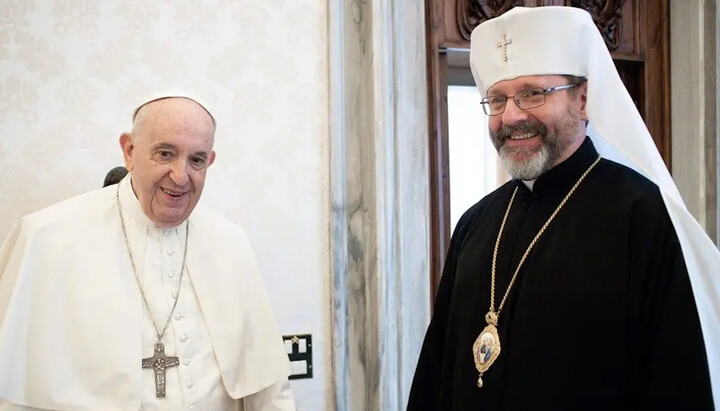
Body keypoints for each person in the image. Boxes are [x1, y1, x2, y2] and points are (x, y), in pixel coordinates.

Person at [408, 7, 719, 411]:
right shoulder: (476, 223)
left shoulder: (643, 216)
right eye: (498, 99)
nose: (511, 116)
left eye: (533, 94)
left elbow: (674, 382)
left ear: (583, 98)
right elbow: (437, 374)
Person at [0, 93, 296, 410]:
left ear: (209, 162)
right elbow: (14, 392)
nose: (180, 176)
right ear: (130, 151)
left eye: (196, 159)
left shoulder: (230, 242)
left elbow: (269, 388)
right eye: (165, 154)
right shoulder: (45, 238)